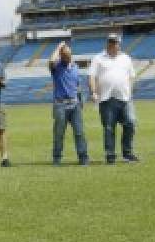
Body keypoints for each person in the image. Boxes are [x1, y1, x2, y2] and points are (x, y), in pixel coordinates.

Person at [89, 33, 139, 164]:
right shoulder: (98, 58)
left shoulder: (126, 58)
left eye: (115, 42)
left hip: (125, 98)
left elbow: (132, 76)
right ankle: (110, 155)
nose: (112, 44)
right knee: (109, 128)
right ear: (107, 43)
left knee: (131, 123)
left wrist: (130, 91)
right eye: (110, 42)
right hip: (106, 99)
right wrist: (94, 91)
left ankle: (127, 153)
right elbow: (92, 77)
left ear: (119, 44)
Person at [48, 42, 89, 166]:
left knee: (79, 132)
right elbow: (51, 61)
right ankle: (57, 158)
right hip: (60, 105)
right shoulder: (56, 67)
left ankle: (83, 157)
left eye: (69, 55)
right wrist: (59, 47)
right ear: (60, 55)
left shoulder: (75, 67)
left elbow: (77, 86)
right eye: (65, 55)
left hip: (75, 104)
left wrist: (81, 100)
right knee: (59, 133)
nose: (68, 57)